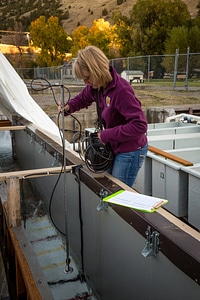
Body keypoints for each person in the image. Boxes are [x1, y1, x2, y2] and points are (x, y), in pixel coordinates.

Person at [58, 45, 148, 187]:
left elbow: (140, 125)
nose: (85, 82)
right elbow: (82, 99)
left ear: (97, 70)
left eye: (87, 78)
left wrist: (106, 135)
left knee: (117, 193)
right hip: (114, 146)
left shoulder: (121, 90)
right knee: (107, 186)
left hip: (130, 149)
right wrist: (68, 107)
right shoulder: (97, 86)